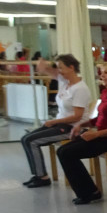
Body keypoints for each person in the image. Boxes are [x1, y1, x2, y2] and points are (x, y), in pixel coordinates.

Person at [56, 62, 107, 204]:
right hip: (101, 136)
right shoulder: (105, 92)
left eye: (106, 73)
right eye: (102, 72)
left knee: (67, 153)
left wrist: (96, 134)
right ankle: (89, 190)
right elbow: (99, 118)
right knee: (62, 151)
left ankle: (89, 192)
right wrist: (81, 125)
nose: (102, 75)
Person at [20, 54, 92, 188]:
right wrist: (43, 66)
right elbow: (50, 72)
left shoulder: (80, 88)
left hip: (72, 128)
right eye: (58, 67)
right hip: (60, 124)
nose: (59, 71)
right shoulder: (65, 82)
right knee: (25, 139)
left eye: (61, 68)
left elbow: (77, 116)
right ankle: (37, 174)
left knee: (31, 141)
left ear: (71, 68)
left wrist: (53, 122)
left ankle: (42, 177)